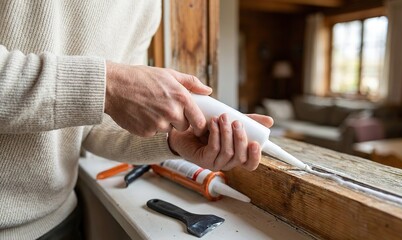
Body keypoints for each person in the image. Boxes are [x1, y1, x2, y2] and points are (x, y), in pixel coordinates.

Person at [0, 1, 273, 239]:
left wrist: (174, 140)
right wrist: (107, 85)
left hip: (58, 221)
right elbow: (104, 95)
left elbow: (97, 121)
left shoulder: (148, 5)